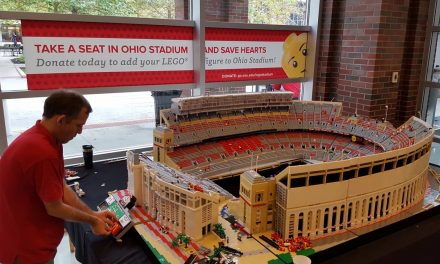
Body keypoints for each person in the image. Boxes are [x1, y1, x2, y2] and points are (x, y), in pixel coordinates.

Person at [0, 90, 116, 264]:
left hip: (25, 237)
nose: (80, 131)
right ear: (61, 120)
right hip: (28, 249)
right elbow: (54, 207)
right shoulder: (43, 153)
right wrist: (92, 221)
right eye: (78, 125)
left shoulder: (47, 139)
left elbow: (60, 187)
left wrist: (93, 214)